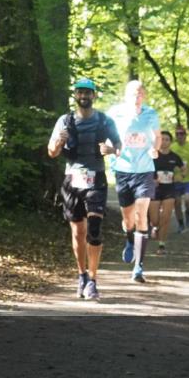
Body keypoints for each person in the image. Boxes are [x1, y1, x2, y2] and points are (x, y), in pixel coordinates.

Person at [48, 78, 122, 301]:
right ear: (75, 95)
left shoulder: (104, 121)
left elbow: (119, 146)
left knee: (95, 229)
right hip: (72, 179)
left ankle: (93, 280)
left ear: (94, 96)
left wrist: (111, 149)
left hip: (96, 178)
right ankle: (81, 275)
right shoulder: (65, 120)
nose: (84, 96)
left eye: (88, 93)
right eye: (80, 92)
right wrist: (60, 143)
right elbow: (51, 152)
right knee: (78, 232)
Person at [107, 80, 162, 283]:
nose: (137, 97)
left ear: (144, 95)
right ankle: (129, 240)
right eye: (133, 93)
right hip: (123, 170)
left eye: (140, 93)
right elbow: (106, 138)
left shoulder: (151, 114)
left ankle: (139, 267)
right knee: (128, 220)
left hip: (145, 170)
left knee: (141, 214)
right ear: (126, 96)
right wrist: (111, 149)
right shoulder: (115, 113)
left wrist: (154, 148)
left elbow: (157, 137)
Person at [148, 131, 184, 254]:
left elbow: (184, 170)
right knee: (154, 219)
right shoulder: (152, 156)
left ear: (170, 142)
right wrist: (152, 180)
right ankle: (154, 226)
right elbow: (143, 171)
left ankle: (161, 245)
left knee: (166, 216)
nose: (164, 142)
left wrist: (180, 176)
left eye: (167, 139)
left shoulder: (175, 157)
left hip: (169, 189)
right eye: (162, 139)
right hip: (154, 190)